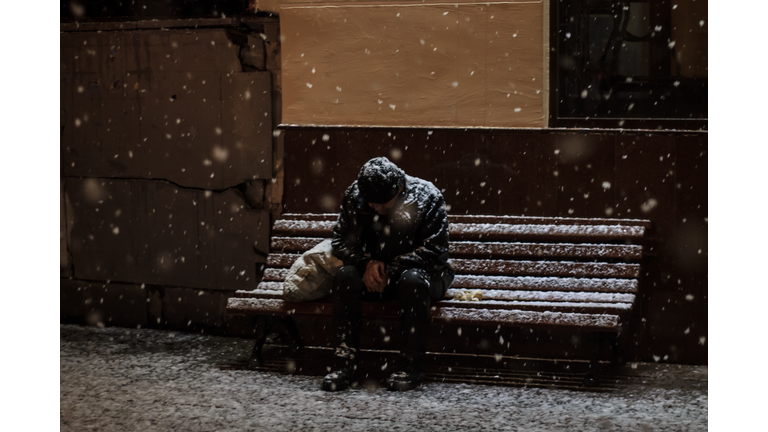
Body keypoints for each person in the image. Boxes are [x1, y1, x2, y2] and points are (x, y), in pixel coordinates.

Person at [322, 157, 454, 392]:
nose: (378, 208)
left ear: (400, 188)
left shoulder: (427, 196)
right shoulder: (355, 195)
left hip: (426, 275)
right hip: (373, 273)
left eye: (384, 204)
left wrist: (390, 268)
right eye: (372, 204)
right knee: (345, 277)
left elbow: (436, 251)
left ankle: (411, 366)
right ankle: (344, 364)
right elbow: (340, 241)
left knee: (412, 280)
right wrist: (366, 264)